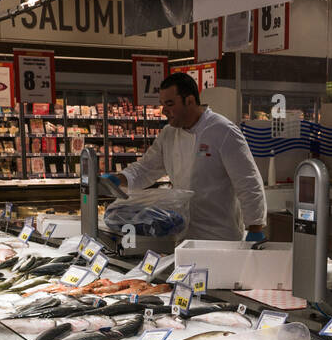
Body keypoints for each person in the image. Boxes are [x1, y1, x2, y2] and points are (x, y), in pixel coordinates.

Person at [110, 72, 267, 243]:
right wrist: (120, 178)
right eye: (162, 104)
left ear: (190, 101)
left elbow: (248, 181)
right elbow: (146, 169)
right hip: (183, 234)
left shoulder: (223, 131)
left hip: (220, 237)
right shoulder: (168, 134)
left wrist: (255, 226)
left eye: (170, 104)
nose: (164, 111)